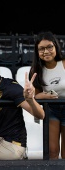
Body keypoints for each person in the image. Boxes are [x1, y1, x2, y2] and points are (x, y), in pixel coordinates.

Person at [29, 31, 65, 159]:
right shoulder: (35, 70)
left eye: (49, 47)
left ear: (56, 46)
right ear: (37, 52)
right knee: (52, 151)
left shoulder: (64, 63)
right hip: (51, 110)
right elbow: (36, 96)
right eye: (41, 49)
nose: (46, 51)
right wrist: (41, 96)